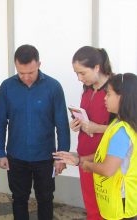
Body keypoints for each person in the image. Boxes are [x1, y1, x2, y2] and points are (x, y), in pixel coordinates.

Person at [0, 44, 70, 220]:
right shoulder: (7, 87)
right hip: (16, 156)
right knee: (19, 199)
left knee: (46, 199)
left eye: (31, 72)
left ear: (39, 64)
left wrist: (61, 157)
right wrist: (0, 152)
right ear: (15, 66)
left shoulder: (53, 87)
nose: (26, 77)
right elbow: (0, 123)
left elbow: (62, 125)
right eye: (21, 73)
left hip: (45, 157)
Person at [54, 73, 137, 219]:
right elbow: (107, 155)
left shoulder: (121, 132)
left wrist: (86, 165)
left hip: (121, 202)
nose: (105, 98)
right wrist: (78, 160)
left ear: (122, 97)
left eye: (109, 94)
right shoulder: (118, 124)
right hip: (118, 199)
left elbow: (107, 169)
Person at [69, 46, 113, 219]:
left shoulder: (116, 89)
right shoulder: (87, 89)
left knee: (107, 206)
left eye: (82, 73)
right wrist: (77, 124)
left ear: (97, 67)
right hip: (85, 155)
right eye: (76, 74)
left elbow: (128, 128)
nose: (79, 78)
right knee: (91, 204)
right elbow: (89, 118)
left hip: (106, 158)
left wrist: (97, 128)